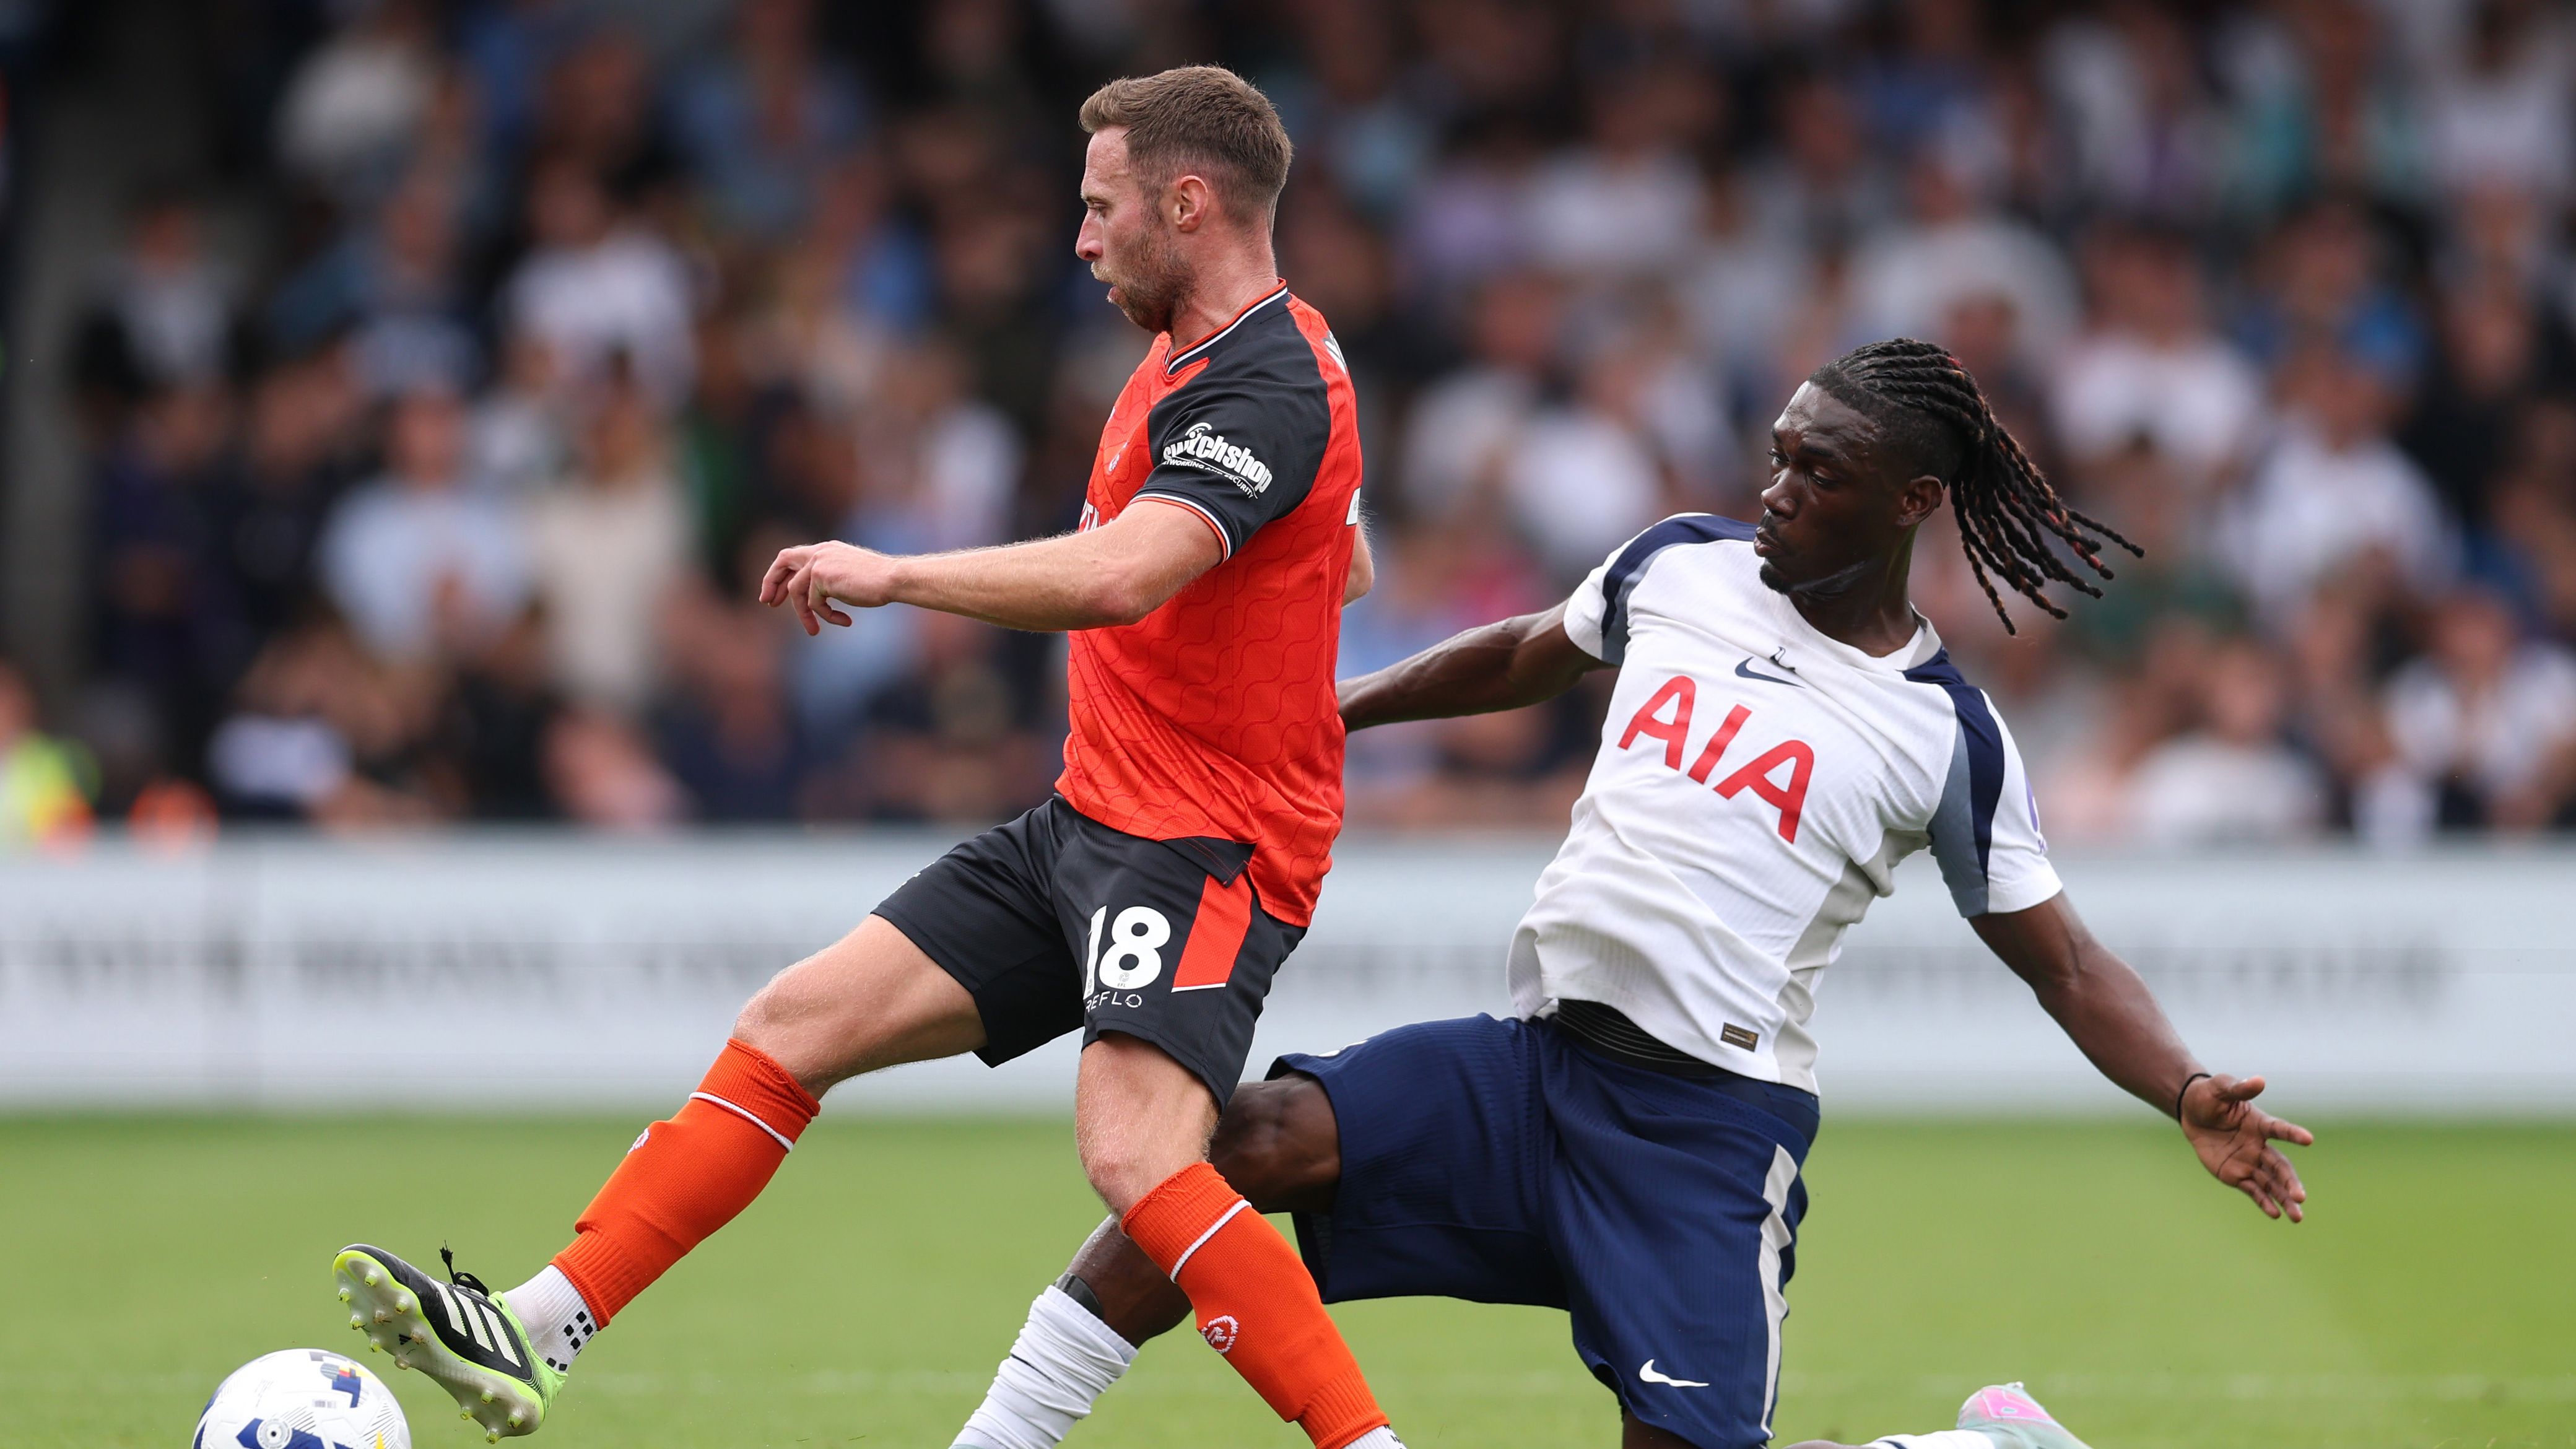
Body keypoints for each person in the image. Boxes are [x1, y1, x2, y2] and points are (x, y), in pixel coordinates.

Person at [944, 339, 2313, 1449]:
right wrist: (1337, 711)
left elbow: (2062, 962)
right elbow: (1528, 654)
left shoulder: (1942, 732)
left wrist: (2186, 1089)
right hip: (1536, 1073)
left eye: (1819, 471)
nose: (1778, 488)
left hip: (1702, 1133)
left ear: (1908, 502)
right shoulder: (1684, 566)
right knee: (1246, 1139)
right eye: (1778, 454)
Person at [328, 66, 1406, 1449]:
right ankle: (537, 1328)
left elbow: (1133, 574)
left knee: (1137, 1158)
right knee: (793, 1027)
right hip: (1092, 816)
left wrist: (898, 575)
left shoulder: (1267, 373)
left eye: (1101, 207)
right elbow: (1350, 555)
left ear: (1186, 204)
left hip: (1205, 845)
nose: (1079, 239)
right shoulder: (1199, 365)